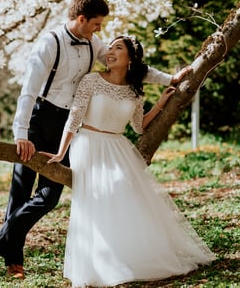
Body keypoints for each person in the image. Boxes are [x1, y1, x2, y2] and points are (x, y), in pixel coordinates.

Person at [0, 0, 193, 282]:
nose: (99, 30)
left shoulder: (93, 43)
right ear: (81, 18)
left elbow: (131, 65)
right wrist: (21, 133)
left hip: (67, 122)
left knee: (49, 197)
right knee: (21, 189)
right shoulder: (48, 45)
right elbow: (28, 92)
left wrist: (169, 79)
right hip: (39, 118)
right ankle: (13, 258)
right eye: (96, 24)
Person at [43, 35, 215, 288]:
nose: (110, 52)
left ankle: (130, 256)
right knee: (100, 197)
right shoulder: (91, 80)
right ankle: (102, 263)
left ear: (131, 59)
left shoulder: (135, 90)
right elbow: (75, 117)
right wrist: (61, 152)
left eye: (117, 48)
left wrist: (160, 103)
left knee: (124, 190)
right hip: (88, 144)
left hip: (118, 145)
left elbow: (138, 126)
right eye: (110, 47)